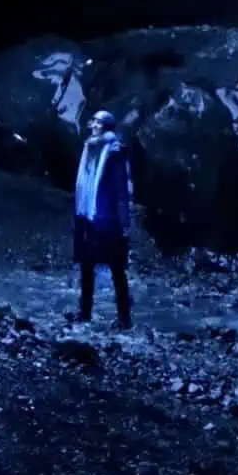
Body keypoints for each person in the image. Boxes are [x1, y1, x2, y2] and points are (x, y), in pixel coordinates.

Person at [72, 109, 133, 328]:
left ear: (106, 127)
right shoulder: (91, 147)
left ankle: (124, 318)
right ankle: (84, 312)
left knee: (117, 269)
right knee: (86, 266)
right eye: (94, 122)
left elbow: (121, 192)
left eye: (98, 123)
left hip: (108, 220)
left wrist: (124, 222)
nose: (93, 126)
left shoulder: (114, 152)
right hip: (89, 216)